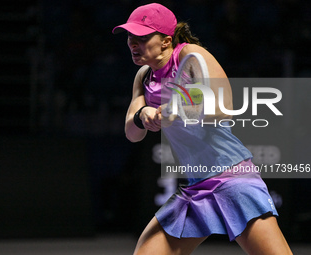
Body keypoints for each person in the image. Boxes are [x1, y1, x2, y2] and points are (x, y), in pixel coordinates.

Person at [113, 3, 293, 255]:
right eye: (131, 36)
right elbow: (133, 133)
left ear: (165, 41)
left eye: (142, 37)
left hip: (233, 179)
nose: (133, 43)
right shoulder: (144, 76)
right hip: (195, 186)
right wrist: (145, 115)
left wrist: (179, 108)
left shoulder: (191, 55)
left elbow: (224, 107)